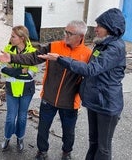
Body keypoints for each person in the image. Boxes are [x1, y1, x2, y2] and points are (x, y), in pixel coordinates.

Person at [0, 20, 92, 160]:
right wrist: (12, 57)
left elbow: (90, 75)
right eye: (65, 31)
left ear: (80, 36)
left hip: (71, 102)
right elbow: (34, 57)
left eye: (69, 33)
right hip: (49, 97)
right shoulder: (54, 46)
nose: (65, 35)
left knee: (69, 131)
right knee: (43, 128)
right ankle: (42, 152)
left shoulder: (87, 53)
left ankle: (66, 152)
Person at [40, 8, 126, 160]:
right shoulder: (102, 45)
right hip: (96, 101)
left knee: (103, 147)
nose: (96, 29)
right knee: (93, 142)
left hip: (107, 104)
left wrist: (60, 59)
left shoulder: (115, 48)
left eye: (100, 26)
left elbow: (91, 69)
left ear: (110, 28)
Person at [0, 25, 39, 152]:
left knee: (22, 117)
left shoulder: (32, 51)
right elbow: (3, 70)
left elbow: (31, 73)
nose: (10, 38)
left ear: (22, 38)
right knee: (10, 118)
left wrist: (13, 70)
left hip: (27, 90)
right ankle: (7, 138)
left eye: (13, 36)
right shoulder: (7, 49)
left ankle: (20, 138)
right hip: (11, 88)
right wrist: (21, 69)